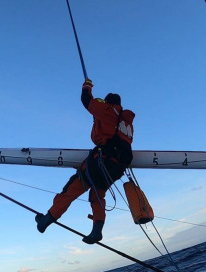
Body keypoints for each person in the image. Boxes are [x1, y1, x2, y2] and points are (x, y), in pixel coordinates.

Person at [35, 78, 135, 244]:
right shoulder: (126, 123)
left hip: (101, 163)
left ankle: (45, 222)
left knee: (71, 190)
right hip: (116, 168)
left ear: (109, 102)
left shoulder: (109, 111)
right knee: (97, 195)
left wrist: (87, 85)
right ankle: (97, 231)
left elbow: (86, 100)